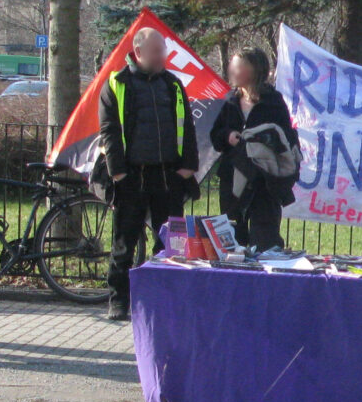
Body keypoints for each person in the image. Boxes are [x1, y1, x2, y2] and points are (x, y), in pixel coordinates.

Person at [99, 27, 200, 321]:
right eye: (158, 52)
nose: (163, 57)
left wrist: (187, 167)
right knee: (123, 244)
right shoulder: (117, 84)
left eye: (164, 52)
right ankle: (119, 302)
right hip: (131, 176)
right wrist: (118, 174)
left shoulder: (173, 85)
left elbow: (188, 128)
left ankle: (163, 302)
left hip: (168, 176)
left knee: (170, 245)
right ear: (139, 52)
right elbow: (109, 132)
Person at [210, 48, 296, 250]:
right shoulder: (230, 101)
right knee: (232, 240)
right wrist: (228, 136)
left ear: (254, 70)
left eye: (237, 67)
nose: (231, 71)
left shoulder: (273, 102)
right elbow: (216, 136)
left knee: (265, 240)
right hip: (233, 180)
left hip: (264, 181)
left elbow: (287, 140)